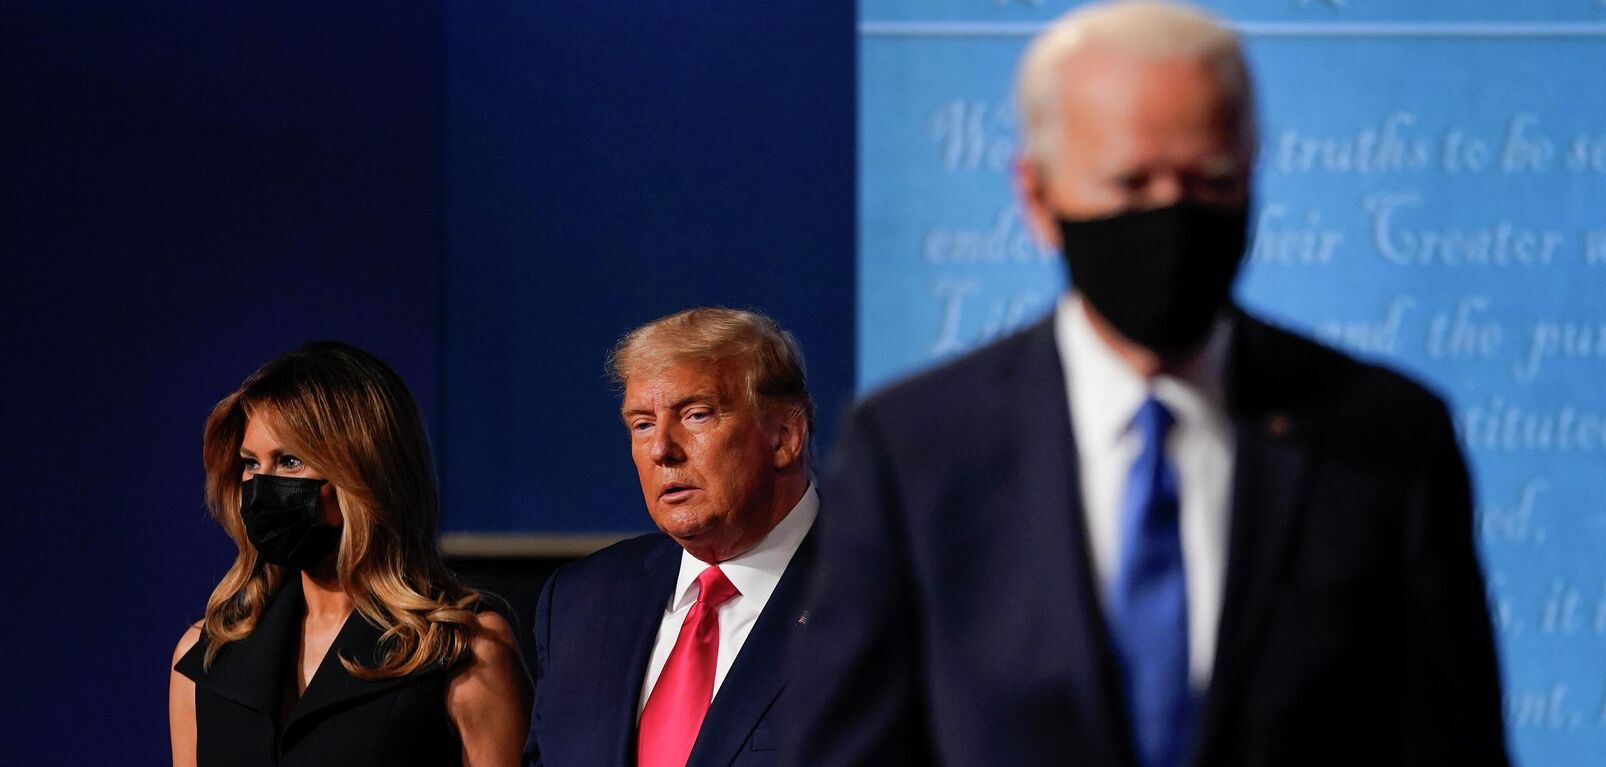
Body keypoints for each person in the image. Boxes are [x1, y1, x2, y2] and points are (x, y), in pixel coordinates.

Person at [791, 2, 1509, 765]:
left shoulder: (1386, 436)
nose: (1172, 214)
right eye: (1131, 184)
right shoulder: (916, 450)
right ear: (1038, 198)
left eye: (1209, 182)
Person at [168, 342, 530, 766]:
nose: (263, 487)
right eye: (250, 463)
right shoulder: (208, 656)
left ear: (363, 474)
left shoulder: (462, 652)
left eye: (289, 461)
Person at [525, 308, 819, 767]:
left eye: (697, 415)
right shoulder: (581, 602)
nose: (662, 448)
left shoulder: (892, 595)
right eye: (642, 424)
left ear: (784, 436)